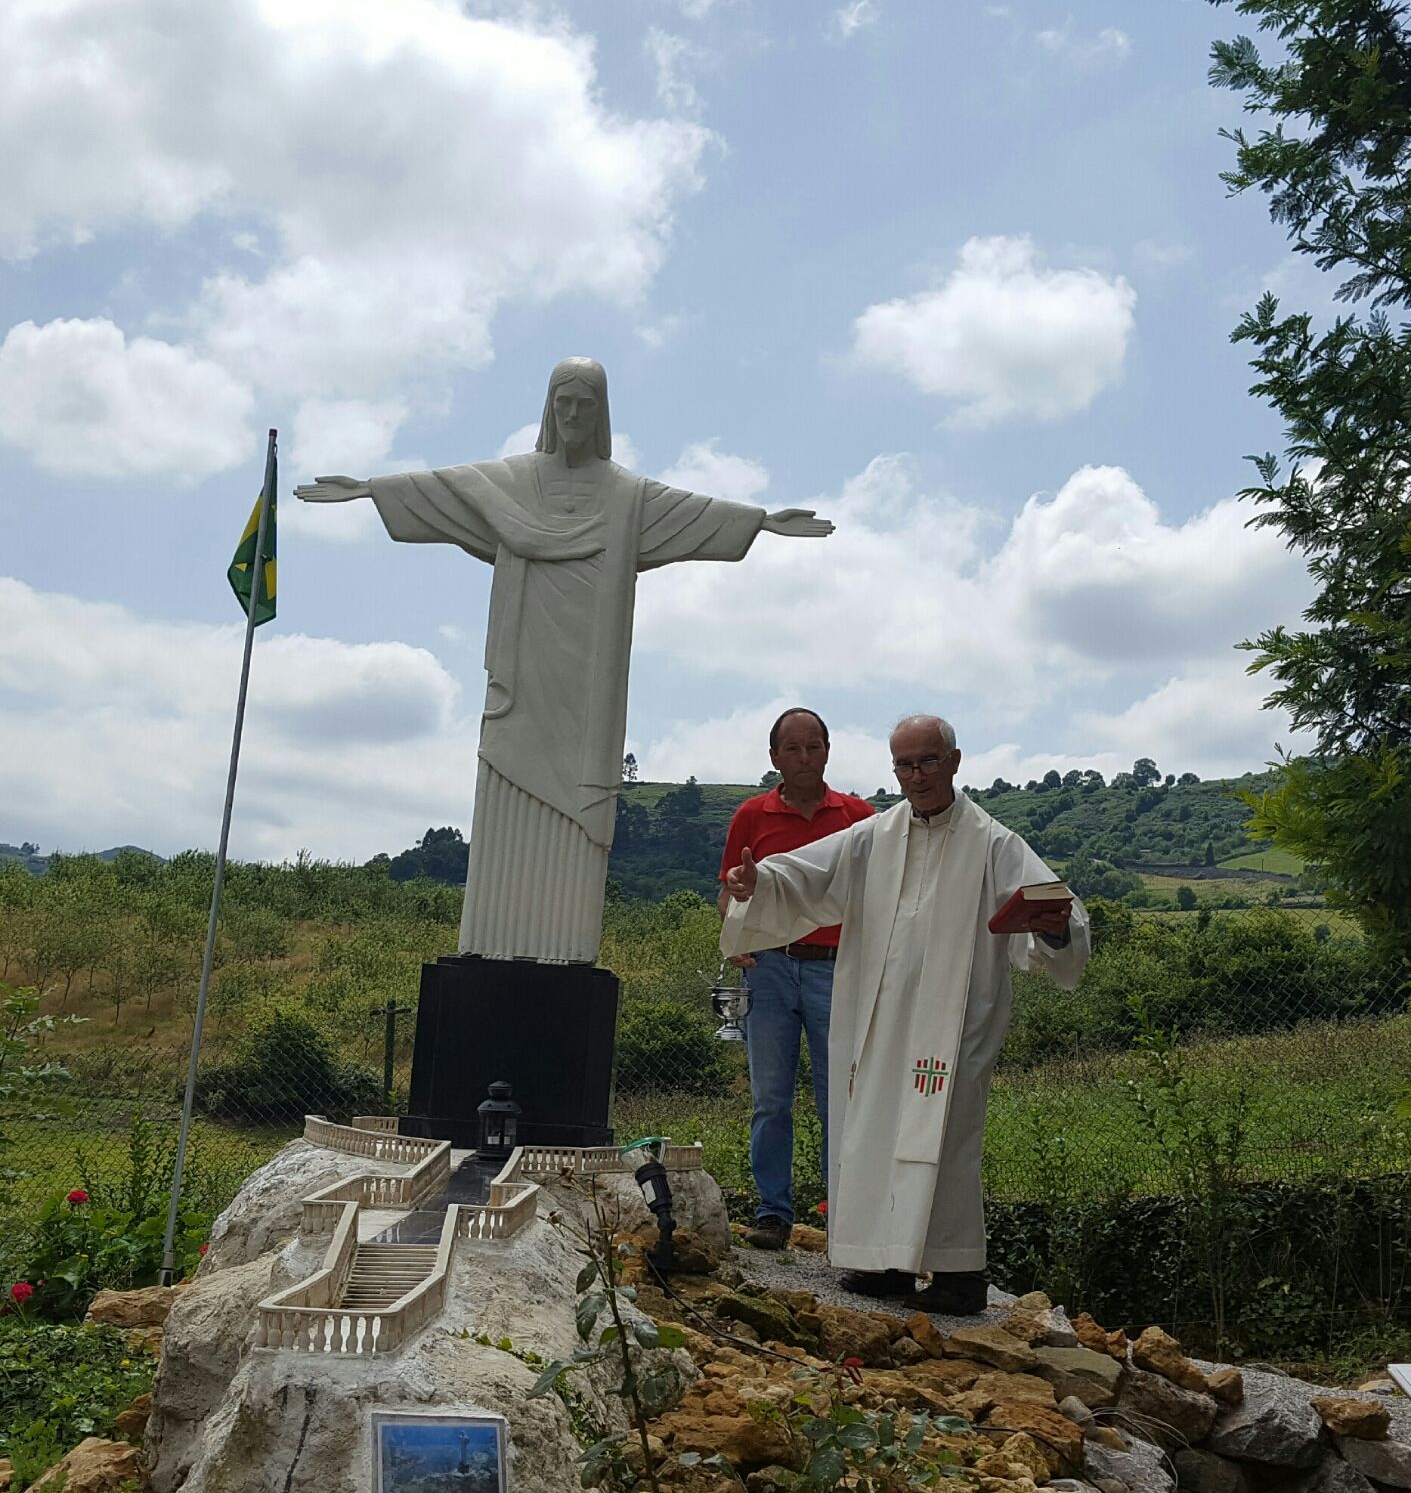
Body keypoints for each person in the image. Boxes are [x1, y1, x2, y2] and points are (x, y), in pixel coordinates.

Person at [295, 358, 832, 965]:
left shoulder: (626, 496)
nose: (573, 415)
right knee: (506, 771)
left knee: (579, 797)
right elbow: (443, 487)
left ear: (601, 413)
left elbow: (692, 512)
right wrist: (371, 489)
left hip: (588, 679)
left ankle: (563, 943)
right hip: (523, 672)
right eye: (563, 402)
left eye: (585, 404)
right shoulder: (513, 482)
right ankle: (491, 940)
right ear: (549, 408)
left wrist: (759, 521)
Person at [720, 714, 1089, 1311]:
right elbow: (804, 875)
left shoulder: (993, 843)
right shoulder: (874, 837)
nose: (916, 776)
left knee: (946, 1135)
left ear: (954, 760)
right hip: (878, 1021)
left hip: (955, 1022)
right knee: (871, 1128)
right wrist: (755, 883)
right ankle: (883, 1261)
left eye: (927, 761)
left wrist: (1053, 928)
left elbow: (1058, 915)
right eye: (904, 764)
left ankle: (957, 1274)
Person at [717, 709, 875, 1250]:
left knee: (843, 1097)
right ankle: (773, 1213)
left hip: (839, 967)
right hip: (772, 967)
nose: (805, 758)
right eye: (793, 749)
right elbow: (730, 893)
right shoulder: (750, 816)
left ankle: (845, 1215)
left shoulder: (860, 817)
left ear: (828, 750)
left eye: (814, 747)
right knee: (771, 1097)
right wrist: (736, 920)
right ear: (774, 758)